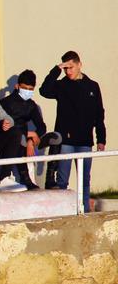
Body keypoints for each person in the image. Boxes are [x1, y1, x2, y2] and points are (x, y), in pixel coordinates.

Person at [38, 51, 106, 210]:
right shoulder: (61, 85)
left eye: (71, 67)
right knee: (62, 181)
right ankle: (64, 211)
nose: (68, 72)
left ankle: (85, 211)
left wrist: (101, 138)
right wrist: (56, 69)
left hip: (85, 141)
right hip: (66, 141)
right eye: (65, 68)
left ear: (79, 65)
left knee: (84, 180)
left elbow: (99, 114)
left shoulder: (92, 86)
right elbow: (44, 90)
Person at [0, 70, 47, 190]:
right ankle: (22, 178)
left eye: (31, 89)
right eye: (25, 88)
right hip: (6, 137)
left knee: (55, 138)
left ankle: (50, 180)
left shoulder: (31, 105)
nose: (28, 92)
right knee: (18, 137)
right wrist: (28, 134)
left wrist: (31, 140)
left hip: (25, 138)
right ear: (17, 86)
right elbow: (5, 126)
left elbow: (41, 126)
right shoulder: (5, 103)